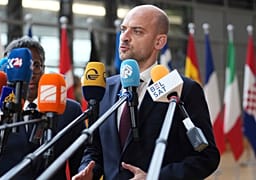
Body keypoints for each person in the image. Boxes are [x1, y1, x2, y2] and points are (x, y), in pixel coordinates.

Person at [73, 5, 220, 180]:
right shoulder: (104, 89)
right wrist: (88, 171)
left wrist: (155, 177)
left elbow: (206, 157)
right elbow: (94, 149)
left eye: (137, 31)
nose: (124, 37)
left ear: (159, 42)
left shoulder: (183, 90)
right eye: (123, 29)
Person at [0, 36, 86, 179]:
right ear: (7, 70)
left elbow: (81, 165)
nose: (30, 74)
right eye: (21, 67)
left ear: (43, 68)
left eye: (35, 65)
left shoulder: (70, 110)